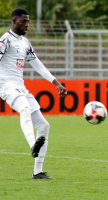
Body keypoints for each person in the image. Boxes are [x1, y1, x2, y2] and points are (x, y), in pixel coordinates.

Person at [0, 8, 67, 179]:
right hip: (6, 85)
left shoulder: (25, 43)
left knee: (44, 126)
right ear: (14, 21)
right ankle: (32, 145)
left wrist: (56, 83)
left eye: (28, 21)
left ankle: (37, 172)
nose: (27, 24)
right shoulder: (5, 40)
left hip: (20, 87)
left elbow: (38, 66)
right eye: (24, 21)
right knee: (24, 108)